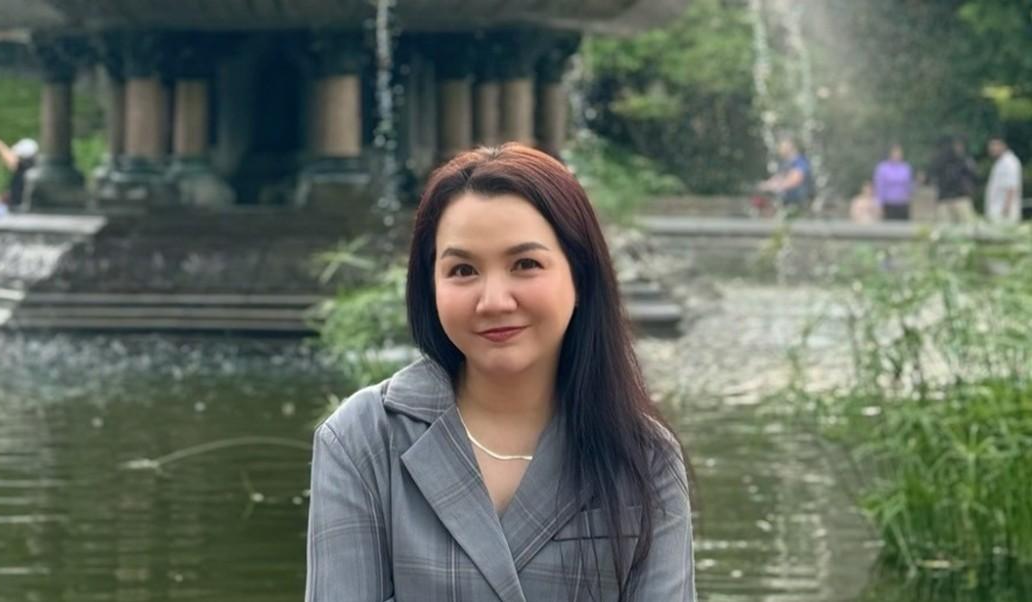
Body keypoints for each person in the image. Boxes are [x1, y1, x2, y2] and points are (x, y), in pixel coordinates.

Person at [307, 144, 694, 601]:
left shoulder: (642, 457)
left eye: (525, 265)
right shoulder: (363, 439)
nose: (493, 301)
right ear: (429, 286)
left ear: (581, 277)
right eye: (463, 270)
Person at [925, 136, 978, 223]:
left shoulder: (965, 160)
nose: (958, 148)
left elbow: (973, 177)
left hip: (961, 198)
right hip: (945, 199)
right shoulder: (941, 160)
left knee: (968, 228)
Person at [758, 138, 813, 217]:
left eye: (782, 147)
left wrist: (777, 186)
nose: (780, 149)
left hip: (799, 201)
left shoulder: (799, 161)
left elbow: (796, 180)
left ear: (790, 147)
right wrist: (766, 185)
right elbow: (778, 177)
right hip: (788, 200)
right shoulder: (787, 162)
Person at [984, 135, 1023, 223]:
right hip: (996, 210)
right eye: (991, 145)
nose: (993, 148)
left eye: (996, 145)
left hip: (1004, 212)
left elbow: (1011, 187)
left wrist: (1006, 209)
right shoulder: (1000, 162)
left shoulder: (1010, 163)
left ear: (1003, 146)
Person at [873, 143, 913, 221]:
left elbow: (908, 186)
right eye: (895, 153)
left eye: (899, 153)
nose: (897, 155)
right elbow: (880, 187)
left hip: (903, 203)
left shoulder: (906, 168)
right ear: (890, 154)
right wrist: (879, 204)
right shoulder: (882, 168)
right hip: (888, 204)